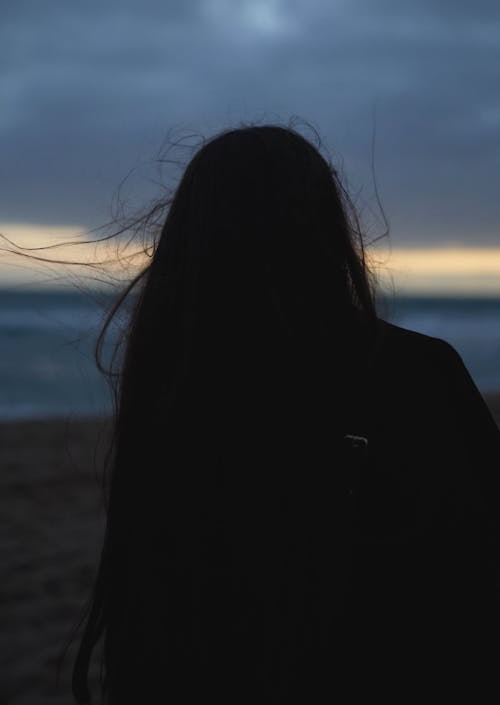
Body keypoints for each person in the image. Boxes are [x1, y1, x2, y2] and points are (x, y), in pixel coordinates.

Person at [66, 122, 500, 703]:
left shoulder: (176, 391)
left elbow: (151, 618)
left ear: (188, 239)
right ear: (326, 227)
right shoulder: (416, 370)